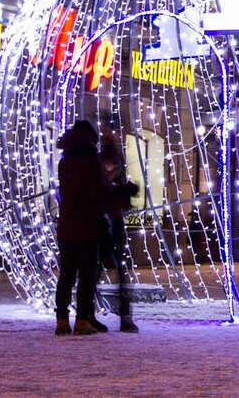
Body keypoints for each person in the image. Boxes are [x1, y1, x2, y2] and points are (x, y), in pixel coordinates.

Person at [54, 120, 107, 336]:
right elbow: (95, 192)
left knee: (66, 274)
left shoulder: (64, 161)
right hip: (87, 224)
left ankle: (61, 320)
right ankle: (82, 320)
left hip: (66, 224)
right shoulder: (91, 160)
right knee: (86, 274)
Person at [100, 132, 139, 333]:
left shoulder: (115, 160)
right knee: (100, 270)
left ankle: (124, 316)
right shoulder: (101, 160)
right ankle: (88, 315)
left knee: (118, 273)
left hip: (112, 220)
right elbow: (102, 189)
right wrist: (122, 191)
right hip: (103, 221)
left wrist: (126, 193)